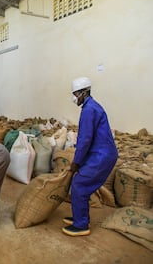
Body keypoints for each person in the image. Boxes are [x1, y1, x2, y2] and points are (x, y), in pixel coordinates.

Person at [62, 77, 118, 237]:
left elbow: (85, 139)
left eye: (75, 94)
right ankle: (79, 217)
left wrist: (76, 162)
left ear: (84, 92)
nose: (74, 98)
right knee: (80, 183)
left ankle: (81, 226)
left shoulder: (89, 110)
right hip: (99, 153)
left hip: (102, 156)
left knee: (80, 184)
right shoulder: (91, 107)